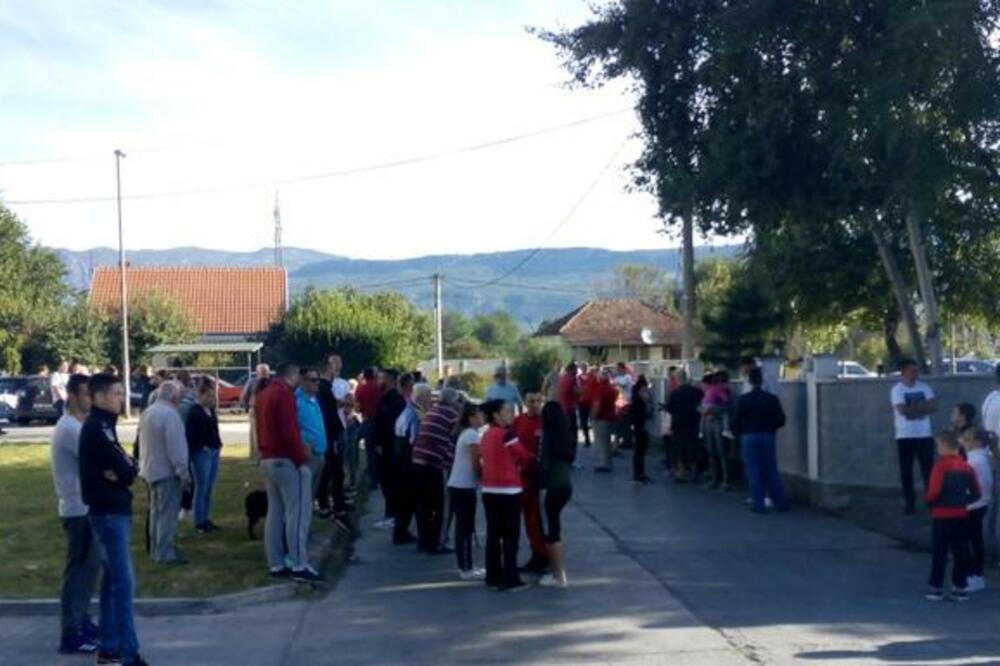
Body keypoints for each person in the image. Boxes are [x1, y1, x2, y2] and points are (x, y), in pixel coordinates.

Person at [79, 373, 148, 666]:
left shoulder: (107, 426)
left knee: (111, 582)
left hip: (114, 507)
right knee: (123, 582)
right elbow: (125, 468)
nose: (122, 398)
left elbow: (129, 466)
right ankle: (128, 652)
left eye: (122, 392)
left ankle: (109, 648)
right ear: (98, 397)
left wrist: (122, 470)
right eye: (117, 393)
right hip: (108, 511)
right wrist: (122, 471)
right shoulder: (97, 427)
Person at [255, 362, 321, 583]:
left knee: (276, 512)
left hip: (268, 458)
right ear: (292, 375)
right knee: (298, 511)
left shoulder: (264, 394)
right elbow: (290, 431)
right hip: (285, 459)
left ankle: (275, 562)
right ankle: (299, 563)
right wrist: (301, 459)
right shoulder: (284, 395)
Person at [50, 373, 100, 655]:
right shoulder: (70, 428)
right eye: (84, 394)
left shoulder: (79, 425)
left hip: (85, 507)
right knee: (79, 573)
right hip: (77, 509)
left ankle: (82, 621)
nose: (89, 399)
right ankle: (71, 632)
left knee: (89, 569)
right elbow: (97, 460)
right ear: (71, 396)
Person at [479, 399, 531, 591]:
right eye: (507, 411)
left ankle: (493, 575)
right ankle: (511, 577)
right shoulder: (507, 435)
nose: (511, 415)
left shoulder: (486, 435)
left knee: (493, 534)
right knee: (511, 536)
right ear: (496, 415)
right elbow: (524, 457)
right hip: (509, 490)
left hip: (489, 489)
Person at [138, 381, 191, 564]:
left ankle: (155, 549)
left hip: (150, 469)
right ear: (174, 397)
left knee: (156, 513)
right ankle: (166, 553)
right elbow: (176, 447)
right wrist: (183, 472)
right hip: (167, 471)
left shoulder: (148, 412)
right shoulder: (170, 415)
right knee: (168, 514)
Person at [924, 431, 980, 602]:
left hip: (941, 515)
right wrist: (964, 501)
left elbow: (934, 490)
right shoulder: (967, 467)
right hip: (960, 514)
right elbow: (977, 492)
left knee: (939, 552)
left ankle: (936, 587)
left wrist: (929, 502)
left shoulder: (940, 466)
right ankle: (959, 588)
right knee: (961, 552)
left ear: (942, 447)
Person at [412, 388, 463, 553]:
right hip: (435, 462)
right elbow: (459, 435)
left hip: (418, 460)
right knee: (442, 505)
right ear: (452, 401)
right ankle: (437, 542)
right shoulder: (450, 413)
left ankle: (424, 541)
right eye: (457, 401)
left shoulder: (433, 410)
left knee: (422, 504)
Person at [734, 367, 788, 514]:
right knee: (771, 469)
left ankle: (758, 503)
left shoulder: (744, 400)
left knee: (753, 470)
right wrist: (771, 427)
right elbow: (781, 420)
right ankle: (779, 502)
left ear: (750, 381)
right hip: (767, 435)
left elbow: (736, 421)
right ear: (761, 381)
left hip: (749, 436)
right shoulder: (771, 399)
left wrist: (742, 431)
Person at [891, 359, 938, 515]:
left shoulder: (924, 387)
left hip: (924, 435)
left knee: (928, 470)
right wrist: (921, 408)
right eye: (912, 370)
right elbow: (903, 410)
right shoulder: (897, 390)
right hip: (905, 436)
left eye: (916, 370)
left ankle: (931, 501)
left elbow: (932, 406)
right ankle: (909, 502)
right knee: (906, 472)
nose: (915, 373)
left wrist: (914, 409)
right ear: (904, 372)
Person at [538, 401, 575, 588]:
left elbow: (543, 463)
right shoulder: (565, 435)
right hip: (565, 484)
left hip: (552, 485)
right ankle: (558, 573)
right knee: (555, 527)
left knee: (552, 532)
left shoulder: (548, 437)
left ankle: (559, 575)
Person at [448, 402, 485, 580]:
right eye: (479, 415)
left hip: (461, 485)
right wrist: (484, 478)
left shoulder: (468, 433)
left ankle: (469, 564)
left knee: (467, 526)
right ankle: (464, 567)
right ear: (471, 418)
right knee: (464, 527)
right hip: (463, 486)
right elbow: (475, 462)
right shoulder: (471, 435)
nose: (482, 418)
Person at [391, 381, 431, 545]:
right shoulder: (415, 414)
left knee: (405, 498)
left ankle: (401, 531)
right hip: (408, 460)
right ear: (421, 397)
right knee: (410, 498)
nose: (430, 400)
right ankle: (402, 533)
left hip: (400, 456)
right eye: (428, 396)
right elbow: (415, 439)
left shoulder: (407, 410)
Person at [514, 391, 549, 574]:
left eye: (538, 401)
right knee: (529, 518)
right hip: (522, 475)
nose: (535, 404)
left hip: (538, 475)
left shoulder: (545, 422)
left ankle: (543, 554)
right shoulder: (518, 421)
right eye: (531, 401)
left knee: (537, 518)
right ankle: (537, 553)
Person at [186, 376, 223, 534]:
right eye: (208, 395)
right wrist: (203, 446)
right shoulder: (195, 412)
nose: (211, 398)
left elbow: (214, 430)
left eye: (212, 395)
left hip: (214, 450)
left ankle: (206, 517)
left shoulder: (211, 411)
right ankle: (199, 520)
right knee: (202, 487)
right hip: (202, 453)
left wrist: (218, 444)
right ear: (200, 395)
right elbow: (191, 436)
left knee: (209, 487)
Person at [958, 427, 993, 593]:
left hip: (972, 506)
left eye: (967, 438)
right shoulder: (979, 459)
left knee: (969, 543)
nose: (963, 441)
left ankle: (972, 576)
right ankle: (977, 576)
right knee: (975, 541)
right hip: (979, 504)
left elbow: (973, 485)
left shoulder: (975, 461)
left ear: (977, 442)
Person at [372, 369, 406, 530]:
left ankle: (393, 514)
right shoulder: (385, 397)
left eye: (381, 378)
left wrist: (382, 443)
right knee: (385, 481)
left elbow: (390, 424)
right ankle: (391, 513)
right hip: (385, 446)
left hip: (390, 447)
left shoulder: (395, 399)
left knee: (390, 481)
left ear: (390, 380)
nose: (378, 381)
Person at [316, 361, 348, 526]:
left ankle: (330, 501)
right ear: (327, 370)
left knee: (332, 471)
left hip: (329, 434)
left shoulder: (323, 389)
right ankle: (336, 504)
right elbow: (329, 415)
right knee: (334, 472)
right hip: (330, 435)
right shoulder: (324, 388)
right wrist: (336, 434)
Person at [296, 366, 328, 509]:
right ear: (303, 381)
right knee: (304, 494)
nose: (317, 383)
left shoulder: (314, 400)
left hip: (320, 452)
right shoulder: (296, 401)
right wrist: (304, 442)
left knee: (311, 495)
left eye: (318, 380)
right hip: (308, 453)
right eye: (313, 380)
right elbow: (294, 426)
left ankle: (306, 525)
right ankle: (301, 528)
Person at [666, 371, 704, 483]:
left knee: (679, 449)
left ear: (678, 379)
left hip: (678, 424)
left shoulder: (674, 393)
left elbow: (670, 408)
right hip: (693, 423)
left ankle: (681, 473)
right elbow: (701, 404)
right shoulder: (696, 391)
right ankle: (695, 472)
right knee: (693, 447)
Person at [701, 372, 732, 490]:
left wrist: (714, 410)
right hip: (709, 422)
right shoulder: (710, 392)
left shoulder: (720, 390)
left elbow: (727, 405)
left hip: (717, 423)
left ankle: (725, 480)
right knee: (712, 451)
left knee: (721, 452)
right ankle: (715, 478)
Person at [354, 367, 382, 490]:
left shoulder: (361, 388)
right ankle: (382, 474)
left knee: (370, 451)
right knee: (380, 449)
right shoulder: (379, 387)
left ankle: (373, 480)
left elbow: (357, 407)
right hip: (380, 420)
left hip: (368, 420)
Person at [242, 363, 272, 462]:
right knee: (255, 434)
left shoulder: (271, 383)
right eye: (262, 372)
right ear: (257, 373)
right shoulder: (252, 382)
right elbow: (244, 396)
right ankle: (256, 457)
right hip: (255, 410)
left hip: (269, 411)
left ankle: (267, 455)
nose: (264, 374)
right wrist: (246, 407)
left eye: (266, 372)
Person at [591, 369, 618, 473]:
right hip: (610, 417)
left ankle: (603, 464)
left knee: (601, 442)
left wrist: (593, 416)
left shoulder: (600, 389)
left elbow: (597, 404)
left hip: (600, 418)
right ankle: (608, 463)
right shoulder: (612, 389)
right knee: (607, 441)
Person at [630, 375, 653, 484]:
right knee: (638, 451)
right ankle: (638, 474)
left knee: (641, 451)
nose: (647, 391)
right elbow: (639, 415)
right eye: (645, 388)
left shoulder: (639, 399)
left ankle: (640, 473)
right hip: (639, 428)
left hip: (641, 428)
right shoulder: (637, 400)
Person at [556, 362, 580, 442]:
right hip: (569, 408)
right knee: (572, 431)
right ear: (571, 370)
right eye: (576, 369)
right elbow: (577, 392)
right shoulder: (572, 379)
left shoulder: (563, 378)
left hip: (562, 407)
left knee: (565, 428)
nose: (577, 371)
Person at [578, 364, 597, 448]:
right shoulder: (579, 377)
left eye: (585, 367)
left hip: (590, 401)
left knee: (593, 420)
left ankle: (595, 439)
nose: (584, 369)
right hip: (582, 402)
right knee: (583, 421)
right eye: (583, 367)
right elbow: (578, 388)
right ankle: (587, 439)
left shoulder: (592, 377)